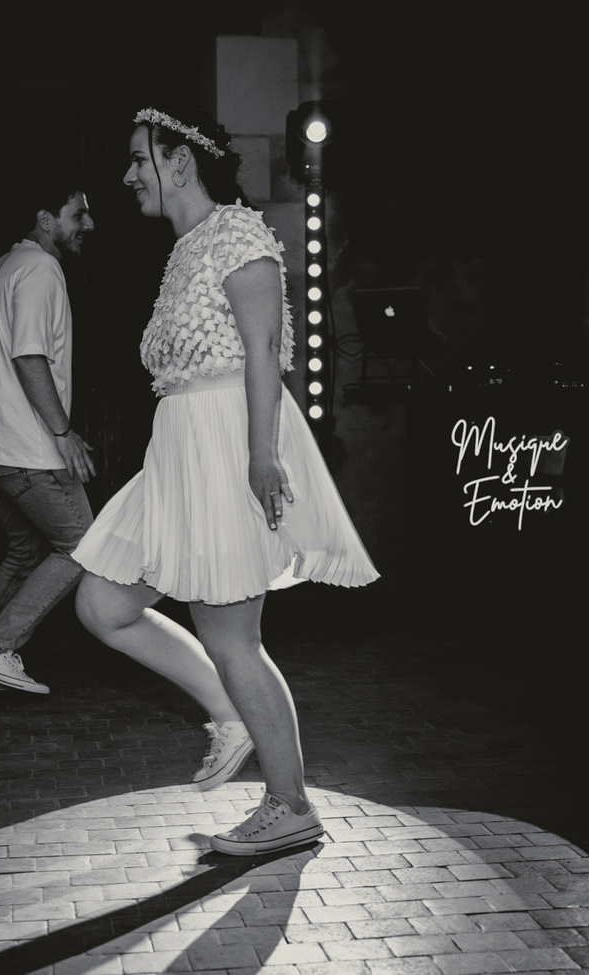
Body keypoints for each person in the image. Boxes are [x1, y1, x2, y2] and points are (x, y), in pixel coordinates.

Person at [73, 106, 378, 855]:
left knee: (233, 638)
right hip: (176, 453)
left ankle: (290, 804)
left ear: (179, 160)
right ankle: (230, 713)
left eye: (139, 159)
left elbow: (264, 347)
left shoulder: (237, 232)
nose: (129, 175)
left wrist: (261, 454)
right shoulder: (184, 250)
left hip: (224, 443)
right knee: (103, 602)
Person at [0, 176, 97, 694]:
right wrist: (63, 432)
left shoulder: (6, 266)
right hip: (24, 445)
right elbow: (28, 356)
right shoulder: (40, 268)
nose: (89, 224)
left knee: (24, 553)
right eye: (78, 214)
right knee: (83, 545)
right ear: (45, 219)